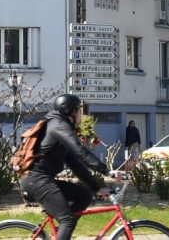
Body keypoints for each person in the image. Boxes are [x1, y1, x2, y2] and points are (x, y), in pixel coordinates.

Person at [21, 94, 110, 240]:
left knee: (84, 195)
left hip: (40, 180)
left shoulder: (59, 126)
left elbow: (75, 164)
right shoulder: (58, 125)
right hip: (36, 180)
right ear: (71, 111)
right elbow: (80, 150)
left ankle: (60, 234)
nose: (81, 114)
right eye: (79, 110)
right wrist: (107, 171)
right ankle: (63, 231)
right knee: (67, 220)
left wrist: (96, 188)